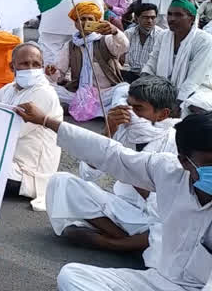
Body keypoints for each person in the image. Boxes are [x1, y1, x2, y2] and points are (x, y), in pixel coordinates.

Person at [14, 102, 212, 291]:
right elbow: (111, 154)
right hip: (159, 280)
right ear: (184, 162)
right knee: (72, 276)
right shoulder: (168, 170)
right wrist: (47, 121)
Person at [45, 75, 179, 263]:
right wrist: (109, 132)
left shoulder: (177, 142)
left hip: (155, 218)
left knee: (171, 231)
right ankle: (127, 241)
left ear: (162, 114)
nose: (130, 113)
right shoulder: (123, 129)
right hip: (123, 209)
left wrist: (132, 172)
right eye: (128, 105)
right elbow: (88, 175)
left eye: (138, 109)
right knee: (61, 182)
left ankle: (117, 244)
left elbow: (175, 202)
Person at [0, 42, 62, 211]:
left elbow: (10, 132)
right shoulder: (9, 89)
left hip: (27, 172)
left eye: (36, 64)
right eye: (24, 64)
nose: (31, 68)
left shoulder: (43, 93)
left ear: (42, 67)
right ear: (12, 66)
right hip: (7, 158)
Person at [46, 2, 129, 121]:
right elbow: (59, 72)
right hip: (79, 94)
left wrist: (115, 31)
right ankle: (101, 111)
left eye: (90, 19)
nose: (85, 22)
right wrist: (52, 72)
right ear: (76, 23)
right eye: (82, 19)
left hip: (105, 93)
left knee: (124, 90)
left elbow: (124, 47)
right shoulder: (70, 45)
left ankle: (107, 113)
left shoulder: (106, 40)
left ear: (96, 21)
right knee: (49, 88)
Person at [143, 0, 212, 102]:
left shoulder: (204, 40)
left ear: (192, 18)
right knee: (123, 90)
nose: (171, 19)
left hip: (196, 89)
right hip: (162, 88)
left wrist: (178, 102)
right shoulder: (163, 35)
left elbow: (194, 79)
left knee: (196, 104)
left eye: (178, 15)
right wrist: (143, 80)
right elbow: (152, 62)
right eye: (169, 14)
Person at [123, 3, 164, 83]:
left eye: (153, 18)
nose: (149, 21)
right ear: (136, 18)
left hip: (150, 79)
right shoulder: (128, 34)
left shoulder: (161, 36)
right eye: (145, 17)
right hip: (129, 75)